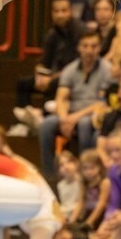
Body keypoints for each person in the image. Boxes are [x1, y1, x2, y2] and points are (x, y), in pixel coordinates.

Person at [37, 30, 112, 173]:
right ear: (79, 47)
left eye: (94, 46)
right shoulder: (70, 69)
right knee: (46, 124)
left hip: (95, 114)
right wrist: (64, 119)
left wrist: (74, 118)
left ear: (100, 47)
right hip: (71, 113)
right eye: (85, 46)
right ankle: (49, 174)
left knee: (84, 124)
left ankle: (85, 171)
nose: (89, 50)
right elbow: (61, 97)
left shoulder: (107, 69)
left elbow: (103, 102)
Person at [13, 0, 85, 129]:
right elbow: (43, 61)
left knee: (54, 83)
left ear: (70, 11)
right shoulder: (52, 34)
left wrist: (50, 78)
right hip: (52, 75)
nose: (60, 15)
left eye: (64, 10)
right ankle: (24, 122)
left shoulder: (80, 32)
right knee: (23, 83)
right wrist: (39, 76)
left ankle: (43, 119)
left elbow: (77, 65)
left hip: (73, 77)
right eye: (56, 11)